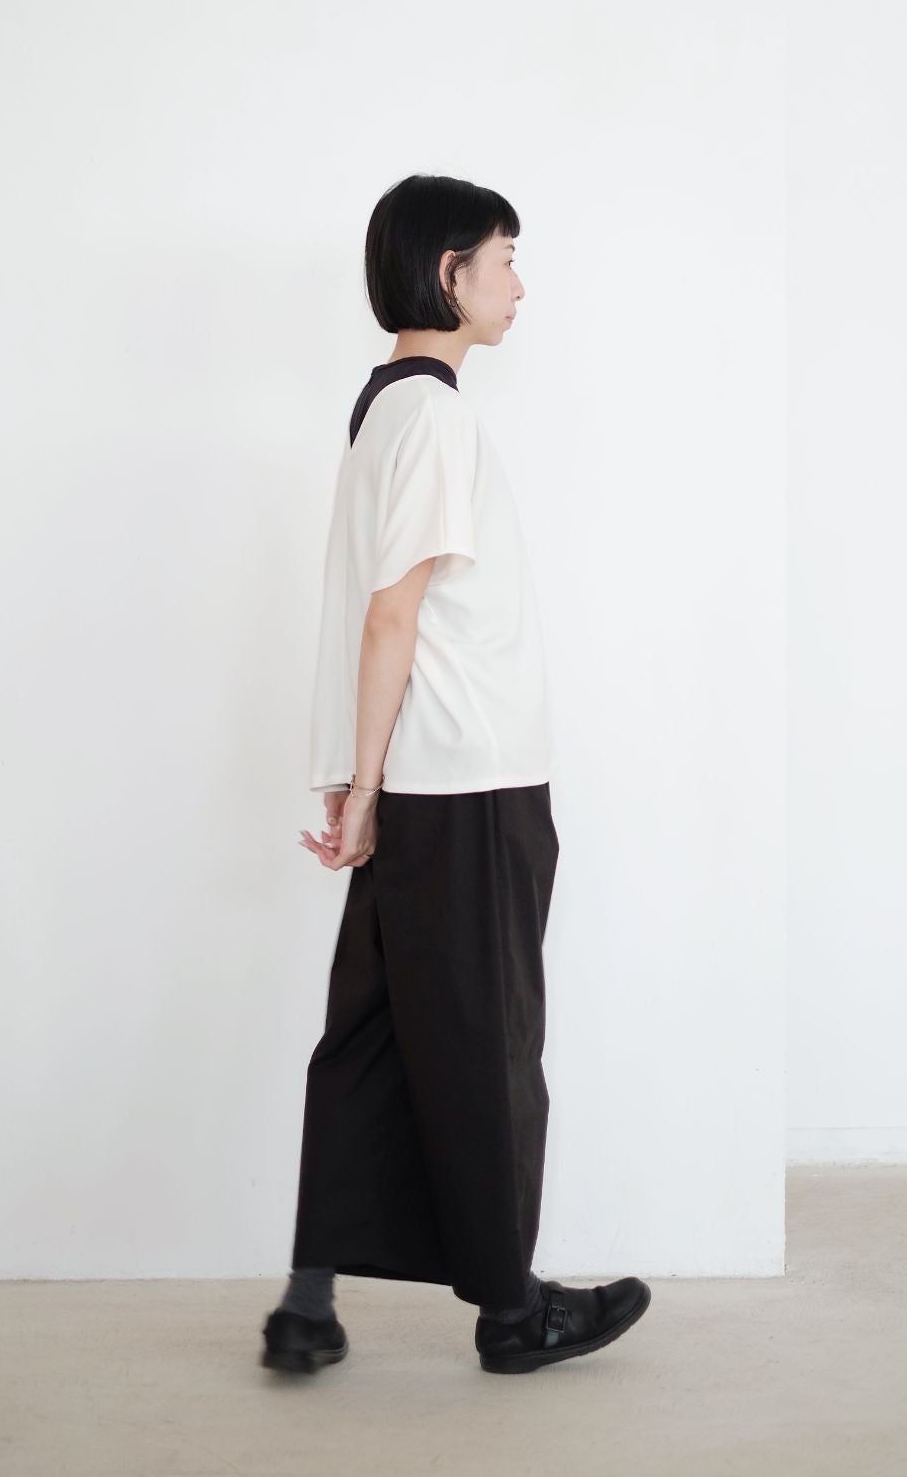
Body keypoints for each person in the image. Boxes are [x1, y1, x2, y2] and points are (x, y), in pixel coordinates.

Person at [261, 173, 651, 1376]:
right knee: (484, 1044)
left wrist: (354, 775)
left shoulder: (380, 408)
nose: (518, 284)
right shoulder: (433, 418)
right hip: (467, 782)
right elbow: (392, 614)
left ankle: (308, 1305)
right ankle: (511, 1314)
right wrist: (367, 786)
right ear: (449, 273)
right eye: (504, 258)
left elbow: (375, 614)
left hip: (416, 776)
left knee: (371, 1037)